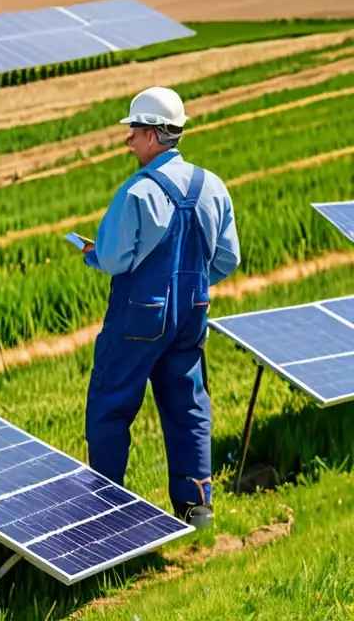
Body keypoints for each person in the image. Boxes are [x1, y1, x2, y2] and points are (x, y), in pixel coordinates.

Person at [80, 87, 241, 530]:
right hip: (193, 312)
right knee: (188, 402)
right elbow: (228, 259)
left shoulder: (137, 192)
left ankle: (105, 510)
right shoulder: (213, 185)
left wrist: (92, 253)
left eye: (133, 130)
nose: (128, 139)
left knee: (112, 404)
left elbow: (114, 258)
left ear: (152, 134)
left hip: (139, 315)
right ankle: (197, 508)